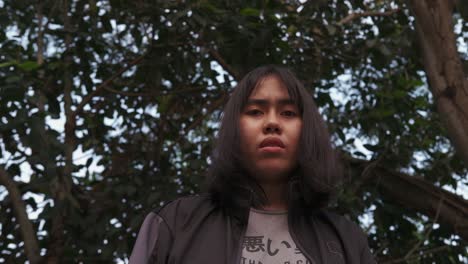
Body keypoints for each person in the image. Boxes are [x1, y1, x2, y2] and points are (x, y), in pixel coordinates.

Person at [129, 65, 375, 264]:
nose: (272, 123)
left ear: (306, 130)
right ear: (234, 130)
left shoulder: (347, 241)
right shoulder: (175, 224)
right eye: (256, 112)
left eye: (288, 113)